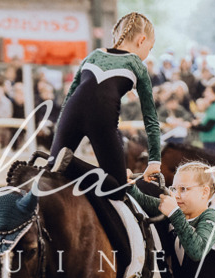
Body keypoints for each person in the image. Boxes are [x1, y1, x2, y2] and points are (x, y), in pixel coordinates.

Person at [49, 11, 161, 196]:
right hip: (100, 116)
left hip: (71, 112)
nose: (148, 54)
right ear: (141, 40)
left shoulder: (94, 55)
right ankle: (71, 164)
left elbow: (69, 98)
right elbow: (151, 119)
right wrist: (154, 161)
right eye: (150, 48)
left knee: (52, 168)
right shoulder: (136, 64)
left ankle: (57, 163)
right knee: (117, 188)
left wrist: (58, 138)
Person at [189, 82, 215, 154]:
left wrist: (191, 126)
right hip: (208, 140)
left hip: (212, 140)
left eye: (208, 92)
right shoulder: (212, 106)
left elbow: (207, 127)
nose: (205, 94)